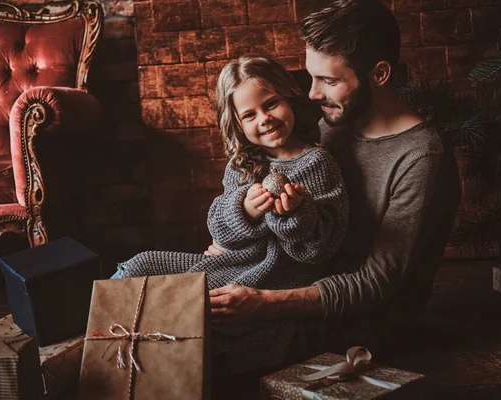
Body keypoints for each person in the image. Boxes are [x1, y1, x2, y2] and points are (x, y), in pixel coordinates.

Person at [205, 0, 461, 358]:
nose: (312, 93)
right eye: (312, 77)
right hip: (292, 279)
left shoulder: (420, 159)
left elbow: (375, 285)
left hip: (360, 323)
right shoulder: (331, 125)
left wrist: (264, 303)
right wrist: (232, 242)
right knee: (175, 306)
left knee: (202, 343)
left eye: (329, 80)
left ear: (380, 74)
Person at [111, 55, 350, 372]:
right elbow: (221, 233)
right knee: (142, 264)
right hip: (231, 261)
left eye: (271, 104)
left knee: (204, 310)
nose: (264, 119)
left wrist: (293, 215)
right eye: (249, 114)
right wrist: (246, 209)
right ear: (236, 123)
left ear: (290, 98)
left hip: (274, 275)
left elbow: (320, 250)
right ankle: (100, 336)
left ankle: (162, 361)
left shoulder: (317, 164)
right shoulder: (242, 166)